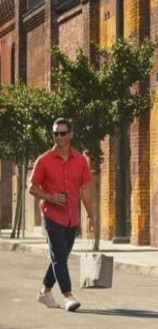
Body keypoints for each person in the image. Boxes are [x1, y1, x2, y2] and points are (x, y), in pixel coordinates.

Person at [28, 118, 95, 312]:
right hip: (51, 216)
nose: (59, 137)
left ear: (71, 135)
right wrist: (51, 197)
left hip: (72, 218)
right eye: (55, 133)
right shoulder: (44, 160)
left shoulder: (81, 160)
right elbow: (31, 187)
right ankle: (68, 296)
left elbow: (85, 191)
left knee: (61, 257)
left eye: (62, 133)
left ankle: (45, 292)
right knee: (59, 257)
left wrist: (91, 216)